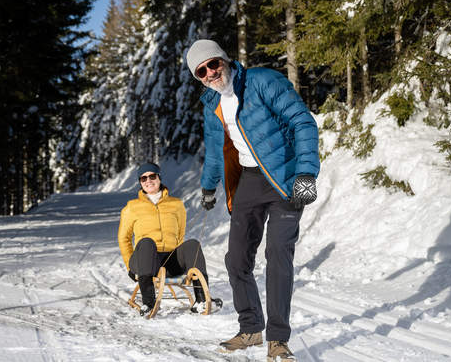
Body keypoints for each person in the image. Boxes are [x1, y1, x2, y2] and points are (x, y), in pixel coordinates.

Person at [186, 39, 319, 361]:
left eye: (213, 64)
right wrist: (208, 188)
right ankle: (250, 328)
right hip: (248, 181)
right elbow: (218, 152)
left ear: (224, 59)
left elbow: (303, 122)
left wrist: (306, 174)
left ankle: (278, 339)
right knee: (237, 259)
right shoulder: (211, 104)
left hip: (284, 178)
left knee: (277, 255)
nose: (210, 73)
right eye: (201, 71)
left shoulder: (262, 81)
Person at [117, 162, 219, 316]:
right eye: (143, 178)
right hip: (144, 259)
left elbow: (180, 233)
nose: (148, 181)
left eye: (152, 176)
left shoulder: (176, 205)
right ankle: (148, 302)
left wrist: (177, 255)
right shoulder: (131, 207)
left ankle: (201, 300)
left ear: (159, 178)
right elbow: (123, 239)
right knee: (146, 242)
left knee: (192, 244)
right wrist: (130, 266)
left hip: (169, 261)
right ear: (140, 183)